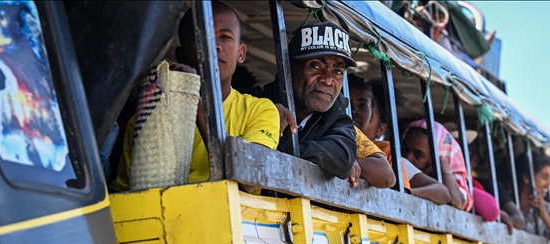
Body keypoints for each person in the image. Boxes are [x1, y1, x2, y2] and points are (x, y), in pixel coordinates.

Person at [111, 2, 280, 192]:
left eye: (225, 37)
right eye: (200, 37)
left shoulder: (259, 110)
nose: (214, 45)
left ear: (241, 54)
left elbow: (249, 181)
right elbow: (127, 192)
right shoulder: (151, 117)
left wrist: (201, 111)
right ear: (181, 55)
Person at [260, 22, 357, 181]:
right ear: (289, 69)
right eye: (316, 66)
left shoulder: (337, 115)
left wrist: (282, 151)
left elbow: (343, 157)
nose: (327, 80)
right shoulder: (259, 103)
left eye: (337, 71)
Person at [402, 120, 499, 221]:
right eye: (405, 148)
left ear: (434, 158)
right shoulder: (395, 163)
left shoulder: (454, 183)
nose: (408, 157)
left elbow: (456, 201)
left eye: (418, 155)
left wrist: (446, 172)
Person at [347, 74, 397, 188]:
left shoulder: (359, 138)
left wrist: (347, 163)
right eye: (348, 102)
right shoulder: (331, 126)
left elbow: (388, 176)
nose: (354, 110)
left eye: (362, 105)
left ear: (371, 115)